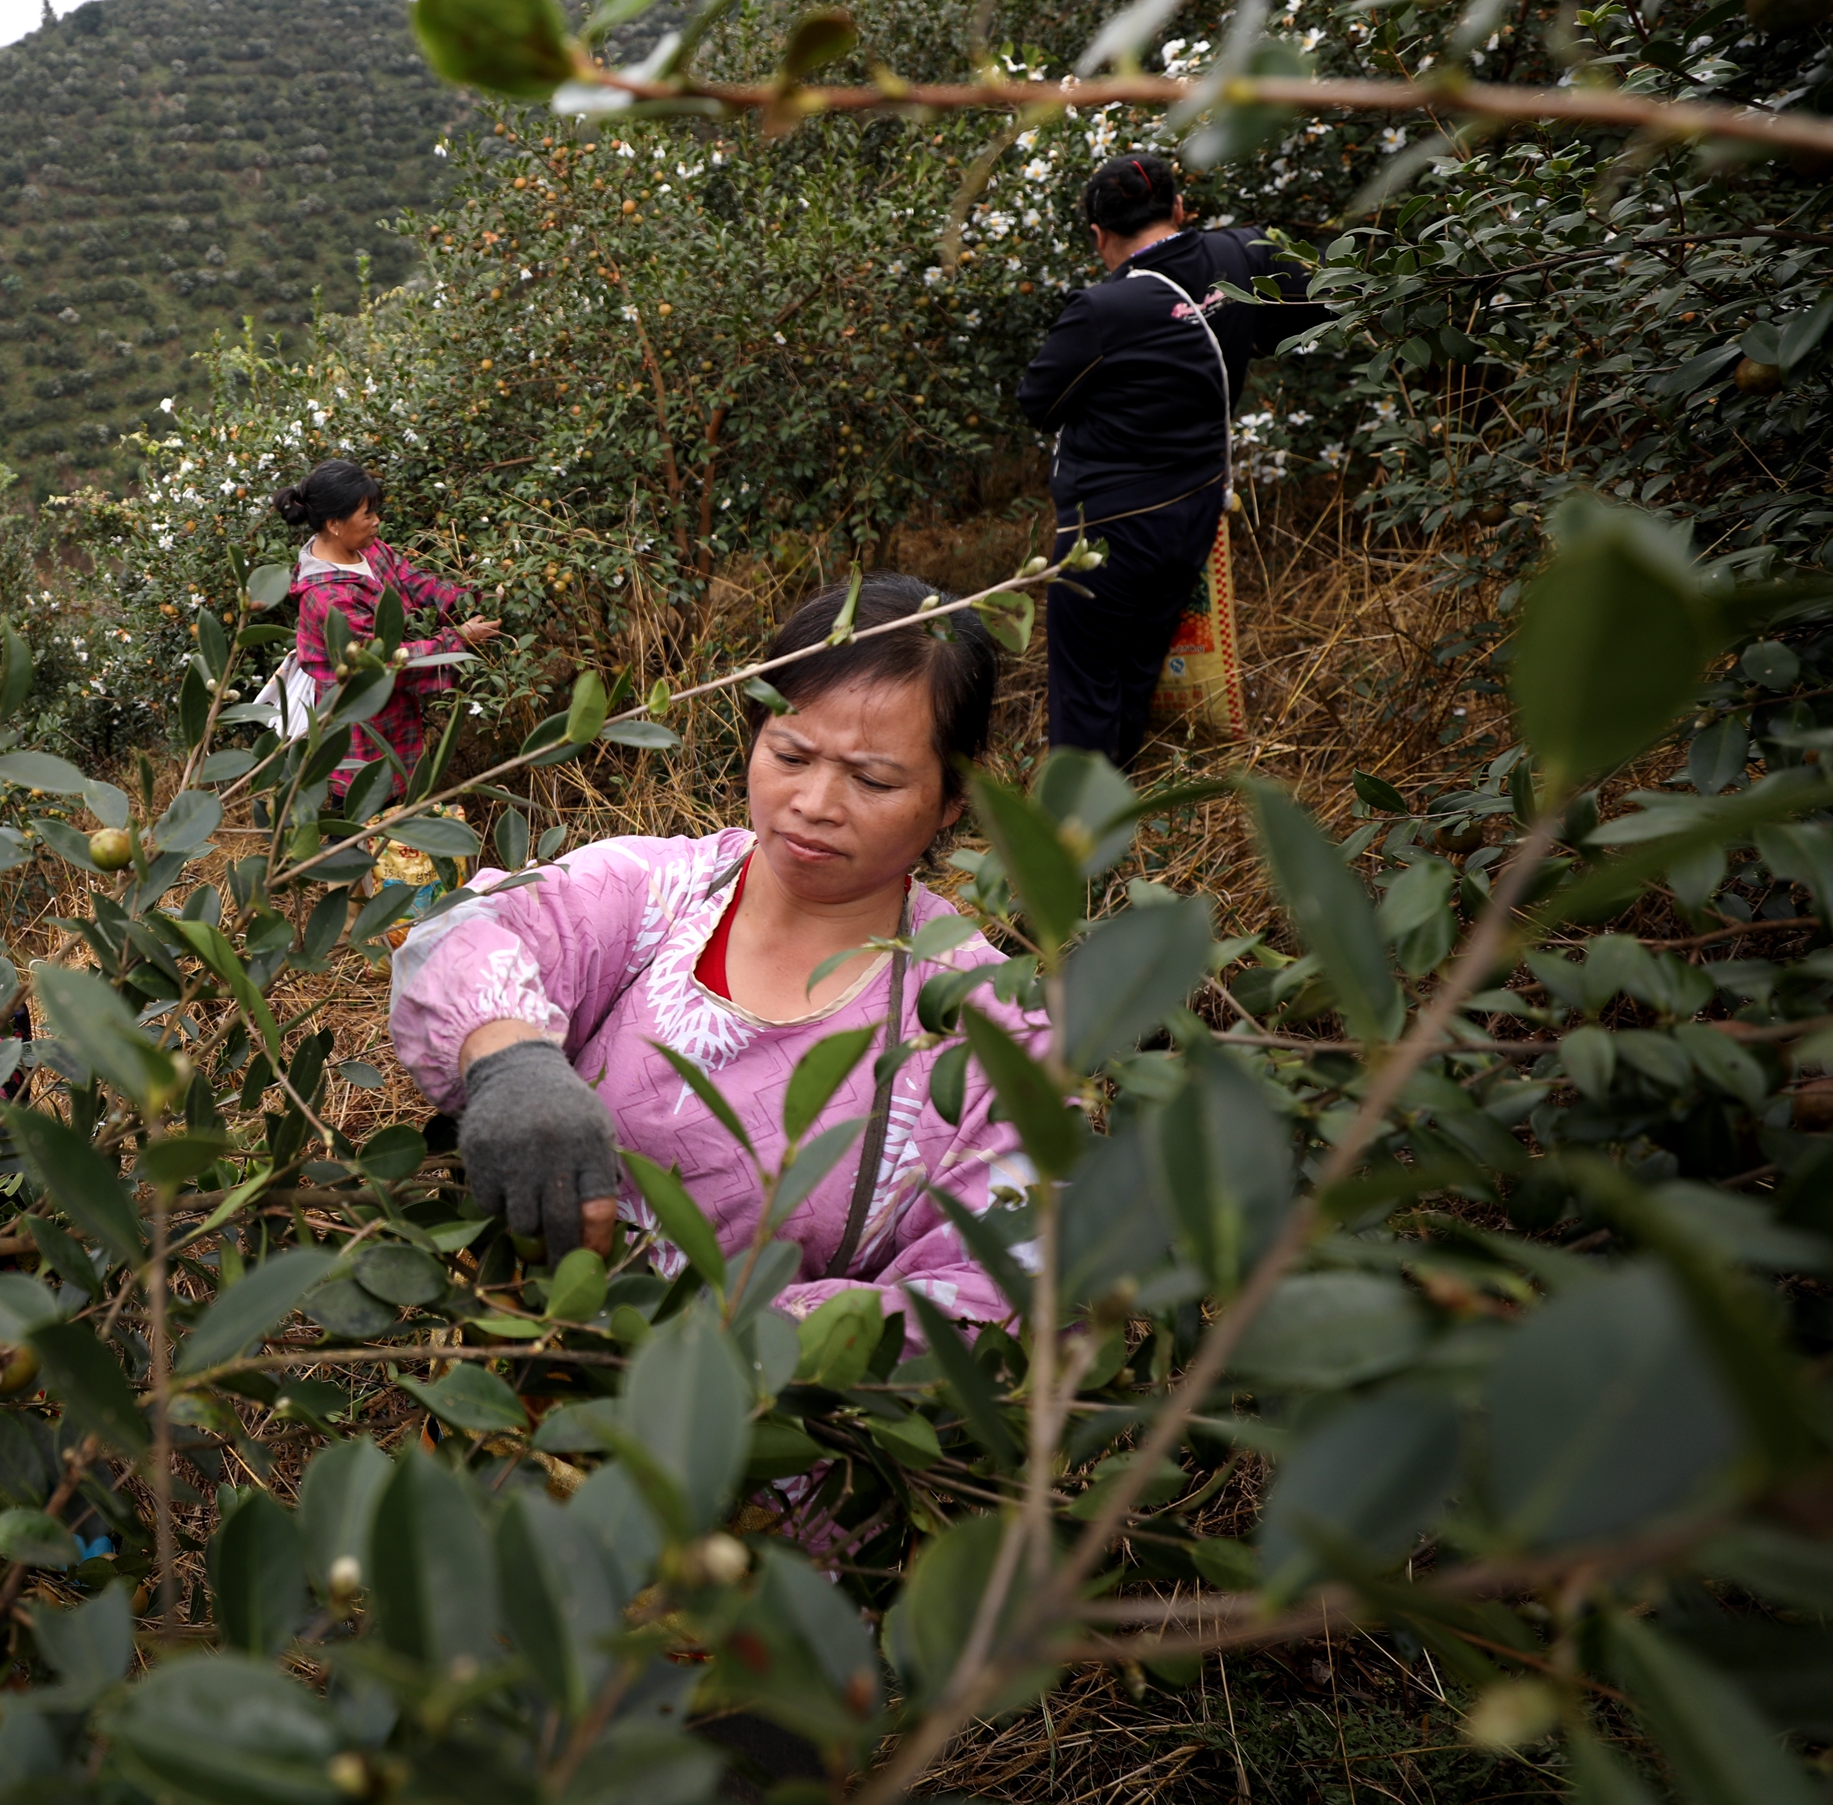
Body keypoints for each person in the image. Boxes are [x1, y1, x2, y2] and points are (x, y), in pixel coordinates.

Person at [387, 574, 1045, 1327]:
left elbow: (1002, 1291)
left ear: (953, 799)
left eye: (872, 779)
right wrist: (511, 1060)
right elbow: (462, 933)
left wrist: (731, 1345)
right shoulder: (656, 890)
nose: (814, 805)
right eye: (791, 756)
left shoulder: (987, 1022)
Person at [1015, 152, 1326, 764]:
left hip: (1106, 532)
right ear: (1180, 209)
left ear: (1099, 235)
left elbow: (1037, 404)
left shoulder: (1102, 313)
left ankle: (1077, 837)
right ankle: (1118, 792)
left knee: (1085, 683)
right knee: (1137, 664)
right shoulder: (1244, 254)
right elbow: (1313, 306)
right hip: (1193, 514)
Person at [276, 459, 500, 810]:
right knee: (364, 817)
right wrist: (457, 641)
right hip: (359, 732)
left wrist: (476, 600)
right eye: (367, 514)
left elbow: (413, 582)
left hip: (396, 717)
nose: (376, 521)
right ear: (335, 524)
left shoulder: (367, 549)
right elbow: (380, 662)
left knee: (401, 818)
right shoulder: (328, 597)